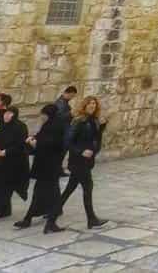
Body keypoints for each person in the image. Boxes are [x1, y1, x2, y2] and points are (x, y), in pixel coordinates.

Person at [15, 104, 65, 233]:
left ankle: (39, 220)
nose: (41, 117)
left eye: (43, 114)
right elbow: (43, 138)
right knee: (44, 193)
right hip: (46, 166)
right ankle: (37, 220)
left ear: (48, 115)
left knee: (48, 194)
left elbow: (54, 144)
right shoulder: (48, 126)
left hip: (50, 166)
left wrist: (36, 143)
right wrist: (34, 139)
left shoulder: (57, 127)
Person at [58, 96, 107, 229]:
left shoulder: (94, 121)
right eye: (90, 104)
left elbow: (95, 139)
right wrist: (81, 151)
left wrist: (102, 127)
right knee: (88, 187)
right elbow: (68, 141)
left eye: (94, 104)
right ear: (84, 106)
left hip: (87, 161)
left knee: (70, 188)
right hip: (78, 161)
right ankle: (91, 219)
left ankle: (53, 214)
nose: (92, 106)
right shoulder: (78, 121)